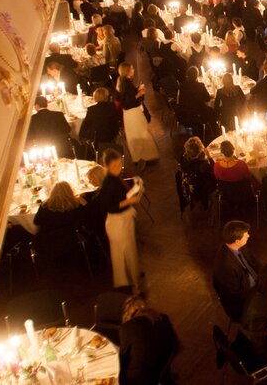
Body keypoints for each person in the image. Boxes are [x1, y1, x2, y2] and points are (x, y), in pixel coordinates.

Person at [97, 149, 144, 294]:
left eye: (119, 165)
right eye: (114, 167)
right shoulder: (107, 185)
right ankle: (134, 285)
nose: (118, 169)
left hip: (124, 219)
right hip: (117, 223)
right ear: (107, 167)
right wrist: (128, 201)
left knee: (128, 251)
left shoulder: (116, 178)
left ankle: (131, 277)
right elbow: (108, 207)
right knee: (126, 252)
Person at [119, 296, 178, 385]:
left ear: (127, 313)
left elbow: (123, 358)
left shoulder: (127, 327)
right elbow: (175, 341)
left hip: (139, 378)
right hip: (163, 367)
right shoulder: (164, 318)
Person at [212, 220, 261, 323]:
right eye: (246, 234)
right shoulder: (225, 266)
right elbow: (236, 295)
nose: (249, 235)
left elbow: (255, 262)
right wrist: (261, 292)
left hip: (256, 286)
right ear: (237, 241)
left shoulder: (239, 246)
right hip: (243, 304)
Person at [114, 63, 159, 164]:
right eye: (132, 68)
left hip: (128, 113)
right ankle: (145, 157)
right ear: (127, 71)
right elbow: (127, 102)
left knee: (136, 134)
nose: (133, 69)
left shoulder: (121, 81)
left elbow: (127, 97)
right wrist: (139, 93)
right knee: (141, 133)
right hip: (133, 112)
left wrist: (138, 90)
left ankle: (140, 157)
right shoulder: (126, 83)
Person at [179, 136, 215, 209]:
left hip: (190, 184)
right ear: (200, 149)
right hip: (203, 186)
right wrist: (209, 157)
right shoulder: (203, 165)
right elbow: (214, 171)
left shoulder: (183, 160)